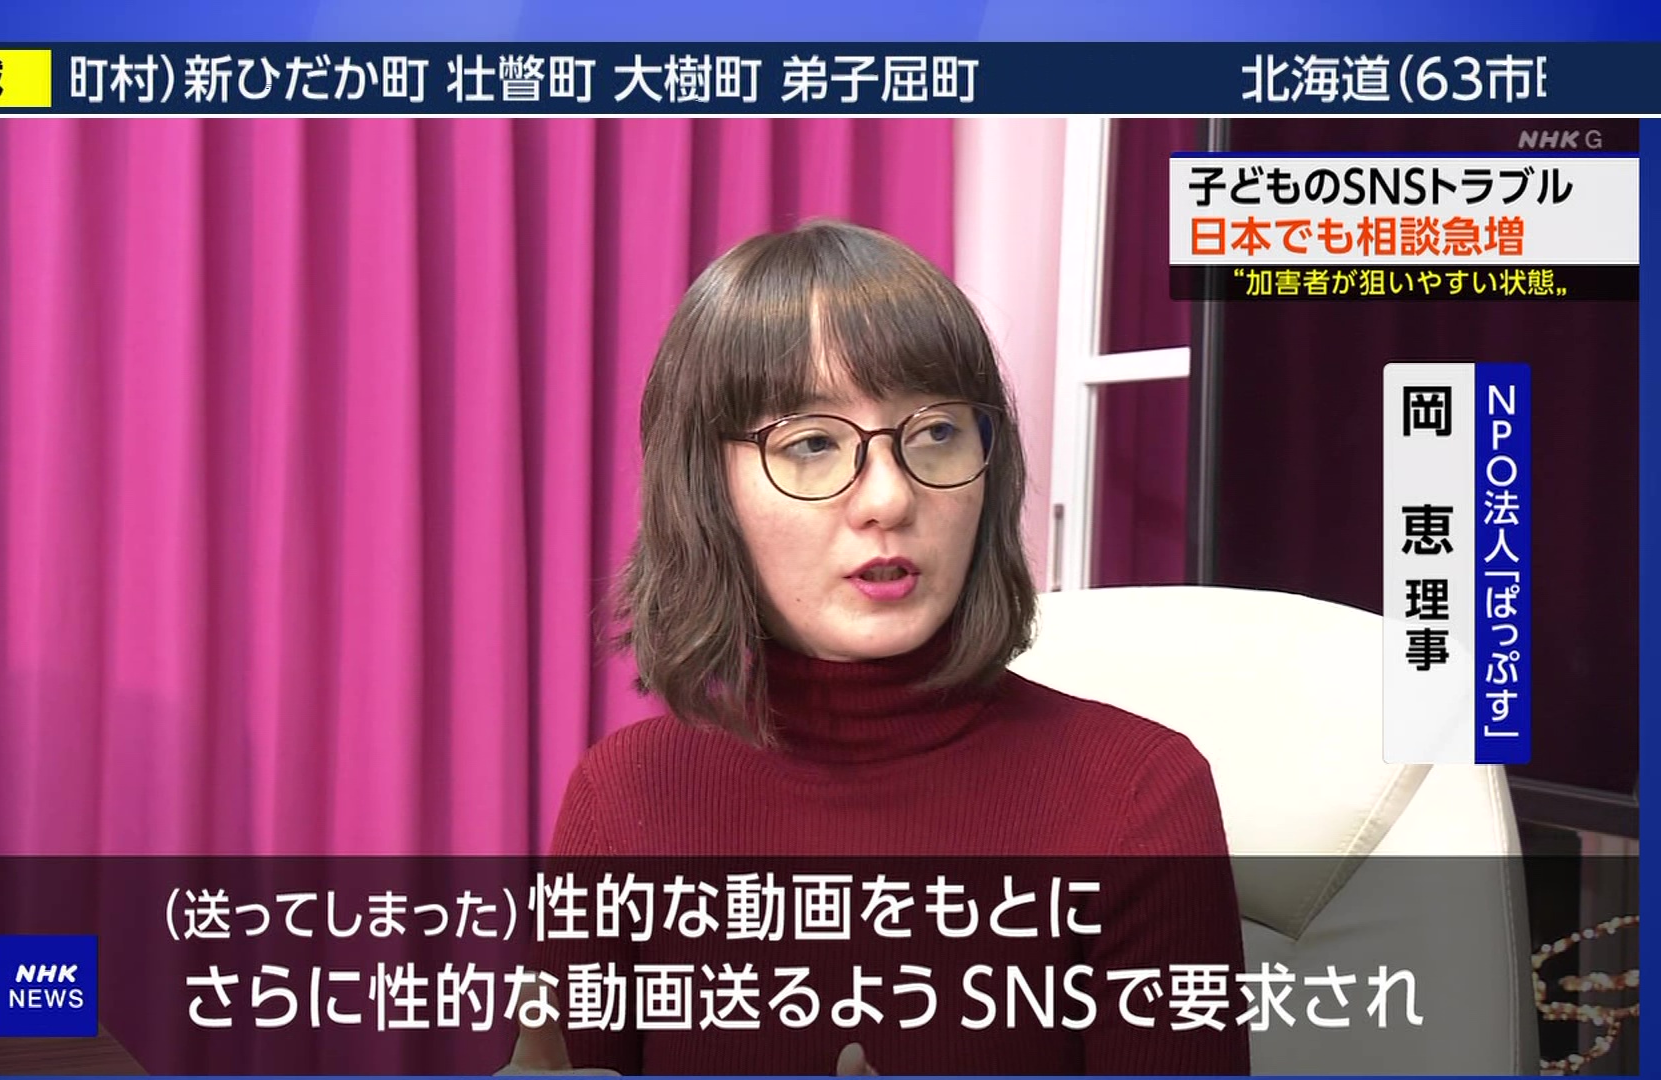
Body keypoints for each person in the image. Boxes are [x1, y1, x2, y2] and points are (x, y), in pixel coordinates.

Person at [502, 220, 1249, 1076]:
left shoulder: (1139, 795)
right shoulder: (626, 797)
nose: (889, 499)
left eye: (936, 433)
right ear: (707, 490)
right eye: (813, 444)